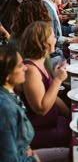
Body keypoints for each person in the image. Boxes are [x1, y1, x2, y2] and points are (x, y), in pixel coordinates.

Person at [0, 44, 73, 162]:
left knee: (72, 156)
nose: (25, 67)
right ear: (7, 77)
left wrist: (27, 151)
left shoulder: (8, 94)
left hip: (23, 158)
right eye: (20, 66)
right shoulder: (5, 108)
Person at [20, 21, 71, 149]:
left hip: (51, 124)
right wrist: (58, 80)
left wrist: (68, 112)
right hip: (38, 132)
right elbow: (41, 109)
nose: (55, 39)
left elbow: (50, 94)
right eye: (53, 36)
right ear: (43, 43)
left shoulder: (40, 62)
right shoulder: (30, 70)